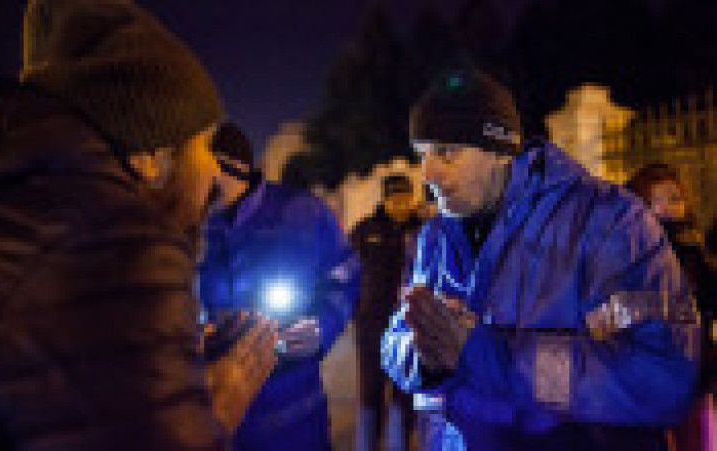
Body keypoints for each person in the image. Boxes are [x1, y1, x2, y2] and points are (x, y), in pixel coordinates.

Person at [0, 0, 277, 449]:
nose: (212, 174)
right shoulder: (115, 242)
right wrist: (220, 407)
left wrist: (154, 376)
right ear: (151, 158)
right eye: (203, 144)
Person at [381, 69, 700, 450]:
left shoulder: (610, 221)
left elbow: (661, 380)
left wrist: (482, 353)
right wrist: (423, 357)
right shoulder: (434, 237)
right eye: (423, 154)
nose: (427, 173)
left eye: (447, 152)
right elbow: (394, 340)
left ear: (499, 151)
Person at [196, 123, 359, 451]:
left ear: (219, 166)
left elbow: (346, 275)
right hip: (216, 418)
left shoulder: (305, 212)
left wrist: (321, 326)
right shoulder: (189, 226)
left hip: (294, 423)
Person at [626, 163, 716, 451]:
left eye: (676, 197)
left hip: (694, 373)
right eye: (660, 198)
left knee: (700, 439)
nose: (671, 205)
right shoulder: (632, 253)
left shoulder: (693, 248)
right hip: (649, 375)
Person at [350, 174, 422, 450]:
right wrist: (355, 312)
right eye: (394, 198)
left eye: (405, 198)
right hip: (371, 327)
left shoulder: (423, 231)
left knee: (404, 395)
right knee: (370, 394)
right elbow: (347, 277)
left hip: (409, 329)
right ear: (384, 199)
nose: (400, 204)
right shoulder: (364, 232)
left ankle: (398, 445)